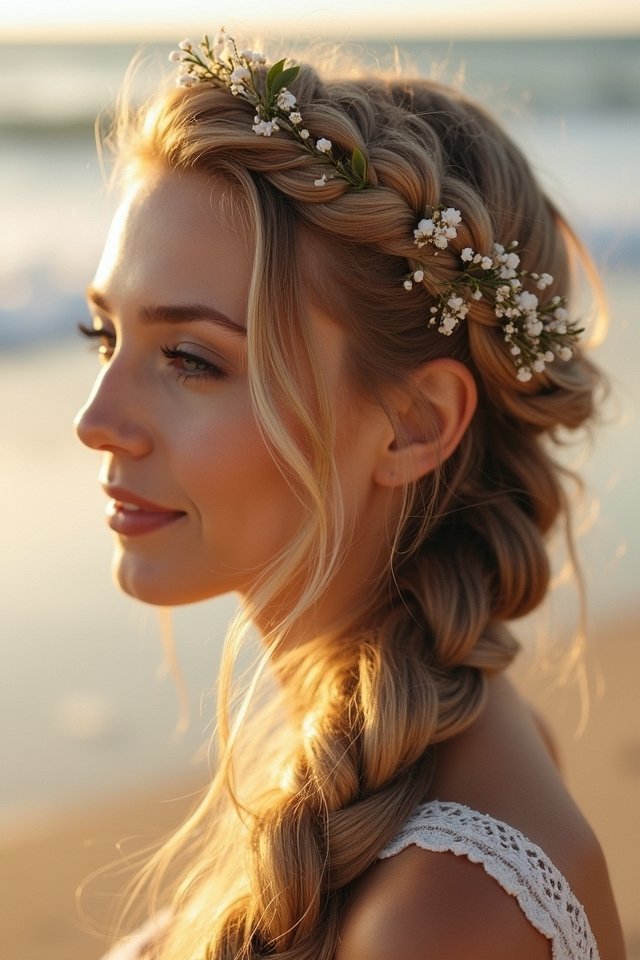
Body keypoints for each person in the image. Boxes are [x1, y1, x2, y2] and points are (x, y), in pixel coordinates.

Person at [75, 30, 626, 960]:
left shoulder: (444, 918)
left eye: (189, 358)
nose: (97, 418)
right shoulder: (412, 756)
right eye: (102, 334)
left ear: (414, 424)